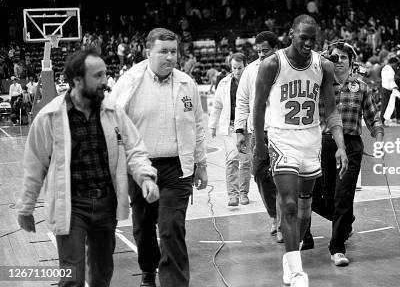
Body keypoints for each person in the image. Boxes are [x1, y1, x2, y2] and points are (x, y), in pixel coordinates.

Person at [17, 48, 159, 287]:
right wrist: (26, 207)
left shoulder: (113, 111)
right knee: (72, 276)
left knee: (102, 275)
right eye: (98, 76)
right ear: (77, 80)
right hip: (71, 206)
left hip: (106, 204)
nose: (105, 81)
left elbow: (135, 148)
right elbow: (34, 166)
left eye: (105, 74)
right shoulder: (49, 117)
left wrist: (145, 177)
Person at [253, 15, 348, 287]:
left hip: (311, 139)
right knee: (290, 203)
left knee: (305, 208)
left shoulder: (324, 66)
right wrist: (260, 145)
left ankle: (289, 258)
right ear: (291, 33)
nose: (307, 43)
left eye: (312, 39)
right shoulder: (272, 64)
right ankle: (296, 273)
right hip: (282, 139)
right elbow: (259, 107)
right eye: (302, 37)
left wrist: (340, 146)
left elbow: (331, 110)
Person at [108, 28, 208, 287]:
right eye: (163, 51)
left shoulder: (187, 83)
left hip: (177, 168)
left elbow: (198, 124)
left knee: (171, 227)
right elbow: (112, 124)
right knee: (142, 226)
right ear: (147, 52)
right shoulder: (129, 83)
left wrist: (201, 164)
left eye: (174, 51)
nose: (170, 57)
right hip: (140, 168)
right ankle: (148, 270)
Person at [309, 41, 384, 266]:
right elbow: (310, 62)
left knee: (344, 196)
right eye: (334, 57)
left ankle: (337, 248)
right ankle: (346, 220)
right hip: (323, 144)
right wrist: (324, 57)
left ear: (351, 63)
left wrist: (379, 137)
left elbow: (374, 117)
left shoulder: (361, 86)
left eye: (343, 57)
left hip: (351, 146)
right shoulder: (319, 85)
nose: (339, 61)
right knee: (316, 197)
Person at [234, 31, 283, 239]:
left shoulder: (286, 67)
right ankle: (274, 215)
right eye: (259, 51)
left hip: (281, 130)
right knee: (260, 174)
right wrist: (239, 131)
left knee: (282, 176)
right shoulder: (250, 71)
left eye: (266, 51)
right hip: (257, 131)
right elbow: (242, 102)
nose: (262, 55)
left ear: (276, 49)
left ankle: (283, 223)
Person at [209, 53, 251, 206]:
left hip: (248, 127)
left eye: (240, 68)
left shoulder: (251, 81)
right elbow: (217, 105)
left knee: (245, 161)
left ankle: (243, 193)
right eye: (234, 68)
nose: (237, 71)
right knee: (232, 159)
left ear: (245, 66)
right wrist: (212, 125)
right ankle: (232, 195)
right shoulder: (224, 83)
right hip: (231, 126)